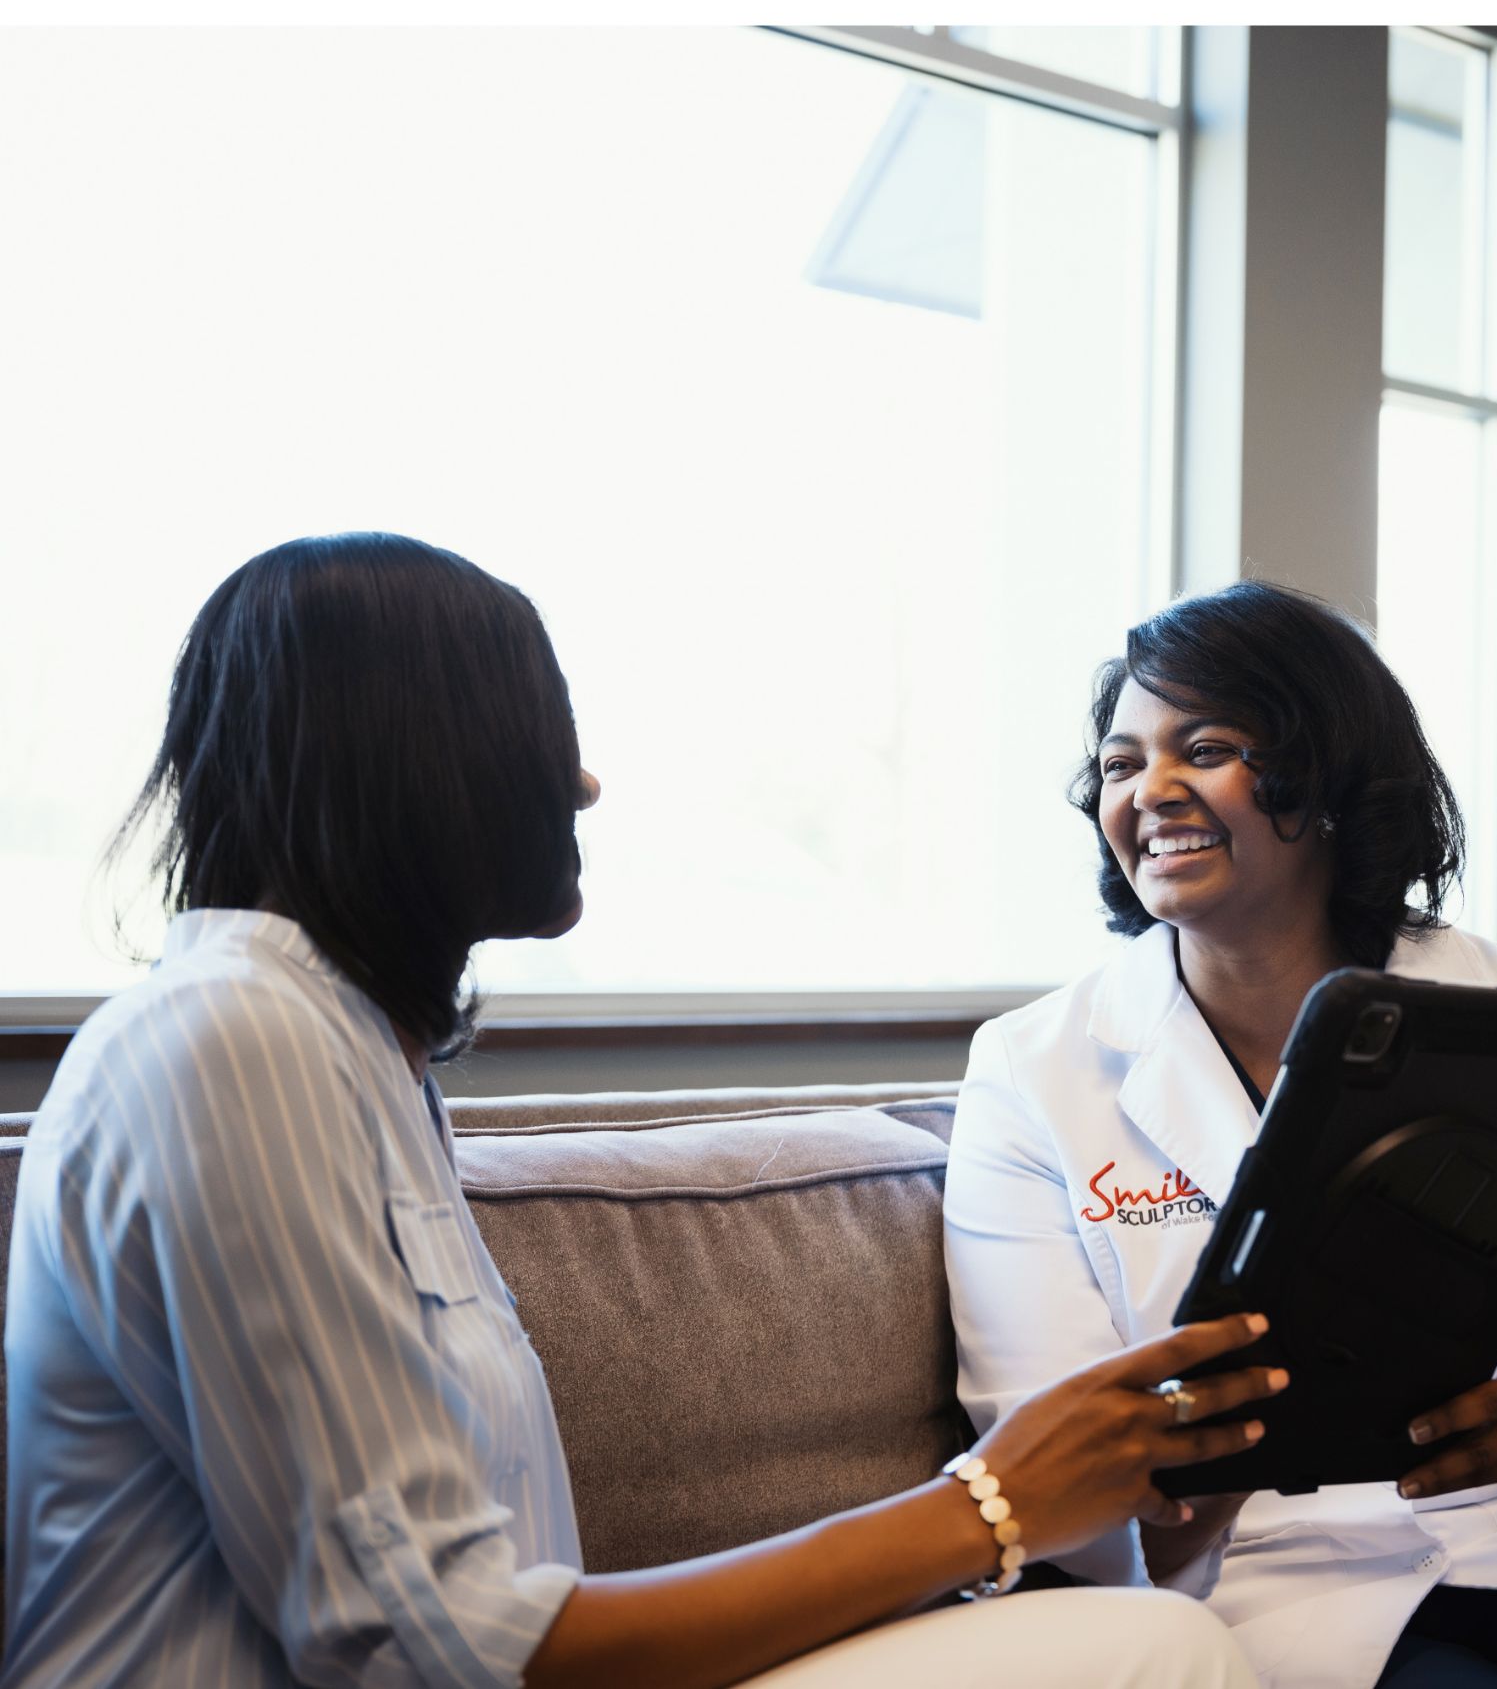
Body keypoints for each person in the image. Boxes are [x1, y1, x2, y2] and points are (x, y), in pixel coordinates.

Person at [2, 533, 1278, 1689]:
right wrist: (989, 1508)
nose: (583, 782)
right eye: (540, 727)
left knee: (1156, 1640)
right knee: (1150, 1656)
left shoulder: (355, 1057)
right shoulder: (234, 1045)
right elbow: (431, 1647)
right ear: (417, 755)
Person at [943, 580, 1497, 1689]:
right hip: (1264, 1590)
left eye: (1205, 746)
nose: (1149, 790)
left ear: (1327, 776)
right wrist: (1226, 1445)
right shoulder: (1031, 1070)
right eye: (1120, 765)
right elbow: (1050, 1461)